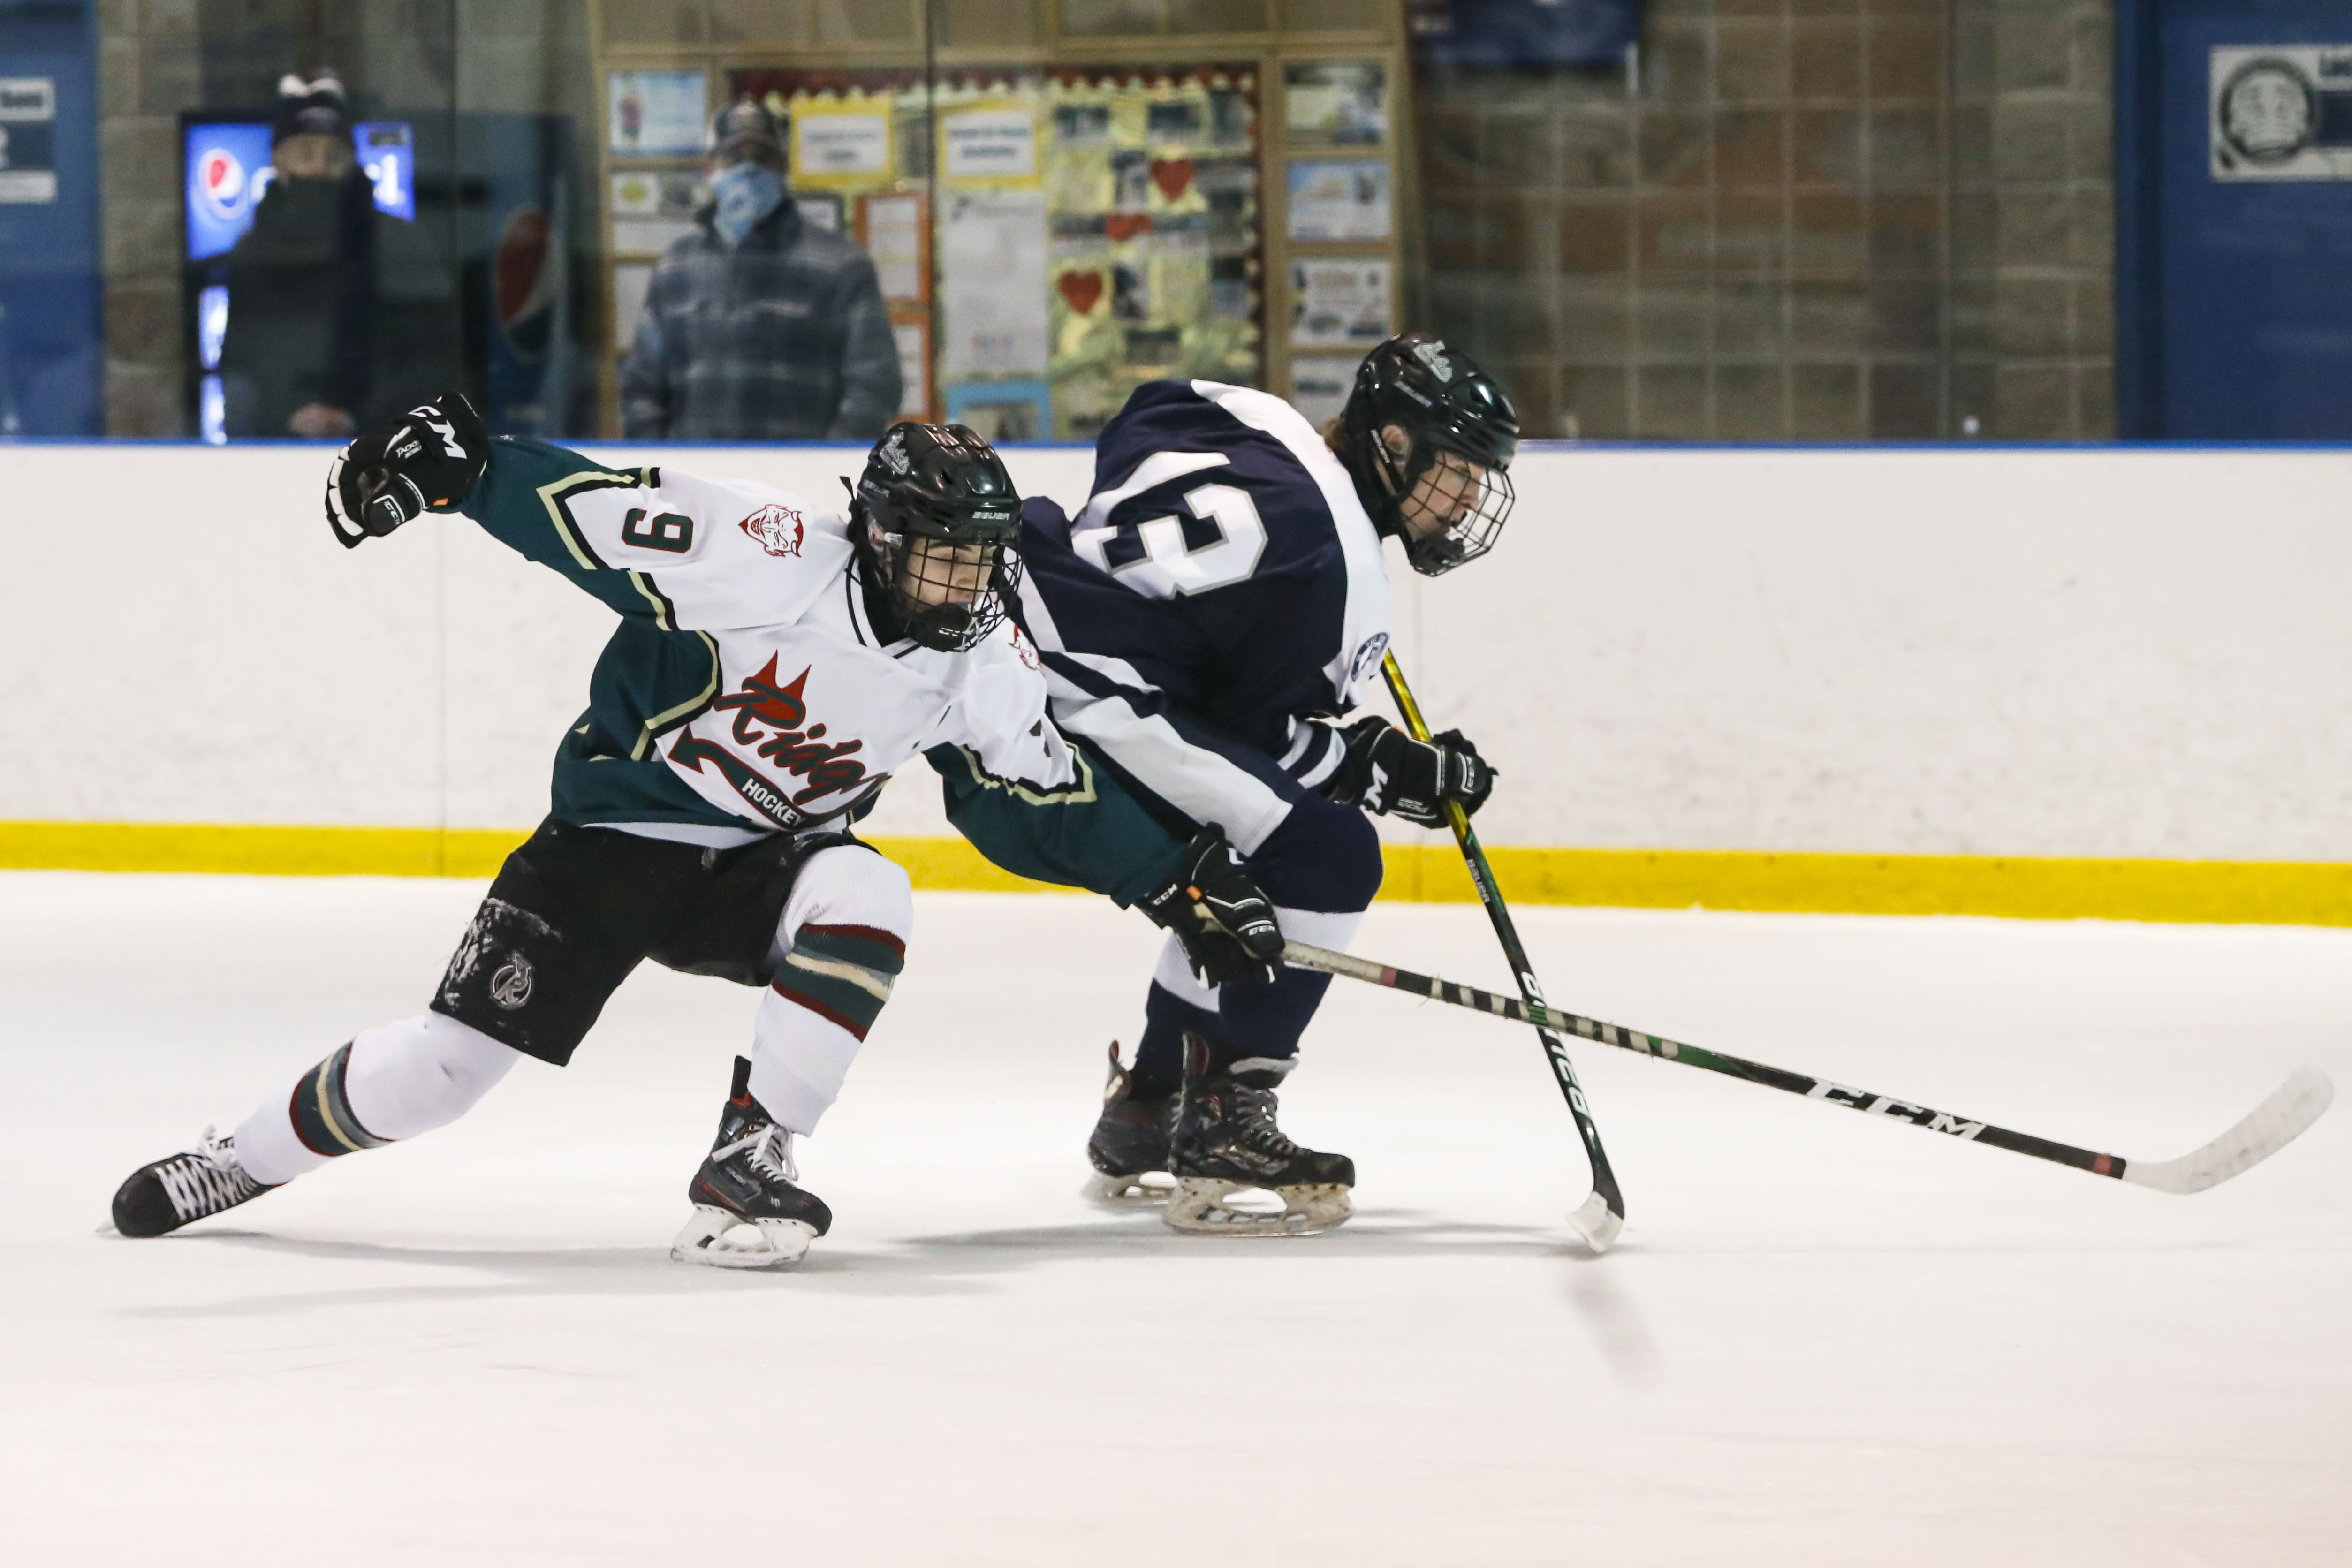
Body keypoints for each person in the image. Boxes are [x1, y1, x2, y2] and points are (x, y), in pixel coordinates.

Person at [109, 395, 1282, 1268]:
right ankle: (245, 1155)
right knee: (445, 1071)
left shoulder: (979, 657)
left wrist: (1173, 877)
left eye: (980, 557)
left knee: (871, 893)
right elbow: (592, 517)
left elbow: (1041, 792)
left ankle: (753, 1154)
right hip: (616, 837)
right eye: (942, 550)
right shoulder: (760, 552)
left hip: (765, 868)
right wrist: (467, 470)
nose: (965, 579)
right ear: (876, 533)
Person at [991, 333, 1519, 1235]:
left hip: (1022, 603)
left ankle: (1148, 1104)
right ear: (1390, 444)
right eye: (1456, 472)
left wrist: (1372, 761)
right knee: (1325, 853)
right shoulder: (1330, 575)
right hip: (1077, 693)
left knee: (1256, 845)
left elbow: (1137, 415)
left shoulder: (1245, 416)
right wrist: (1378, 770)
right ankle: (1227, 1114)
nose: (1467, 500)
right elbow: (1244, 730)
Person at [620, 98, 901, 442]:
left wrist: (828, 471)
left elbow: (873, 386)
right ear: (710, 168)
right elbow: (641, 391)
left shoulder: (841, 266)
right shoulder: (677, 268)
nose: (749, 169)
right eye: (734, 157)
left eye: (763, 157)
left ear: (783, 166)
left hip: (803, 488)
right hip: (697, 488)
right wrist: (662, 475)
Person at [216, 73, 377, 440]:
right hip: (276, 454)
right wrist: (283, 422)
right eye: (305, 154)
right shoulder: (252, 254)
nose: (320, 167)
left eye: (333, 155)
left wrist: (354, 419)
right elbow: (239, 372)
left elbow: (425, 366)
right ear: (278, 162)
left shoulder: (397, 242)